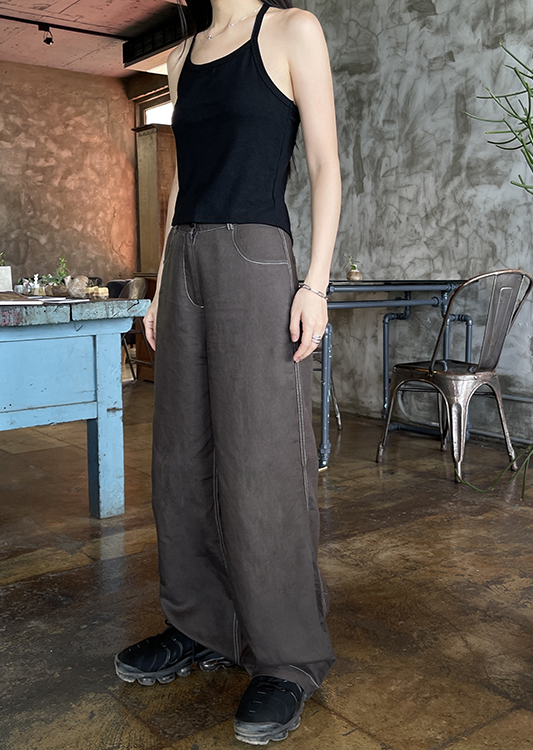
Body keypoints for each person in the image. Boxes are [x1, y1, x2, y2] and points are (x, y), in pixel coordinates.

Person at [115, 0, 340, 744]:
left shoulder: (292, 30)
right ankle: (200, 626)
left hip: (257, 260)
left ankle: (287, 655)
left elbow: (325, 164)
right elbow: (183, 180)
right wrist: (160, 283)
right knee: (182, 458)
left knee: (262, 461)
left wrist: (315, 284)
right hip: (185, 261)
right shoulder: (180, 58)